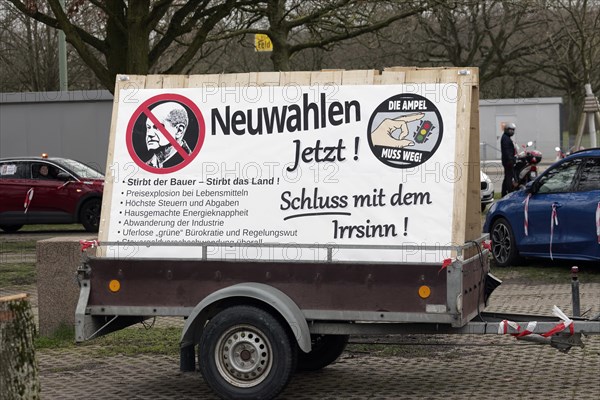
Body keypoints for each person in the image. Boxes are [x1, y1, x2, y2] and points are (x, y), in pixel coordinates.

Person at [145, 102, 191, 168]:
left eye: (158, 127)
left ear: (179, 131)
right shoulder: (147, 166)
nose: (150, 134)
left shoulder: (192, 166)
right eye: (148, 127)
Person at [500, 122, 517, 196]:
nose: (512, 131)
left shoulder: (506, 137)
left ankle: (504, 193)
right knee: (509, 178)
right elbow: (507, 151)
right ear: (506, 130)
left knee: (507, 177)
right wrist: (511, 160)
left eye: (513, 130)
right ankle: (509, 192)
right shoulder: (505, 139)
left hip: (507, 160)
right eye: (510, 130)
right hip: (508, 161)